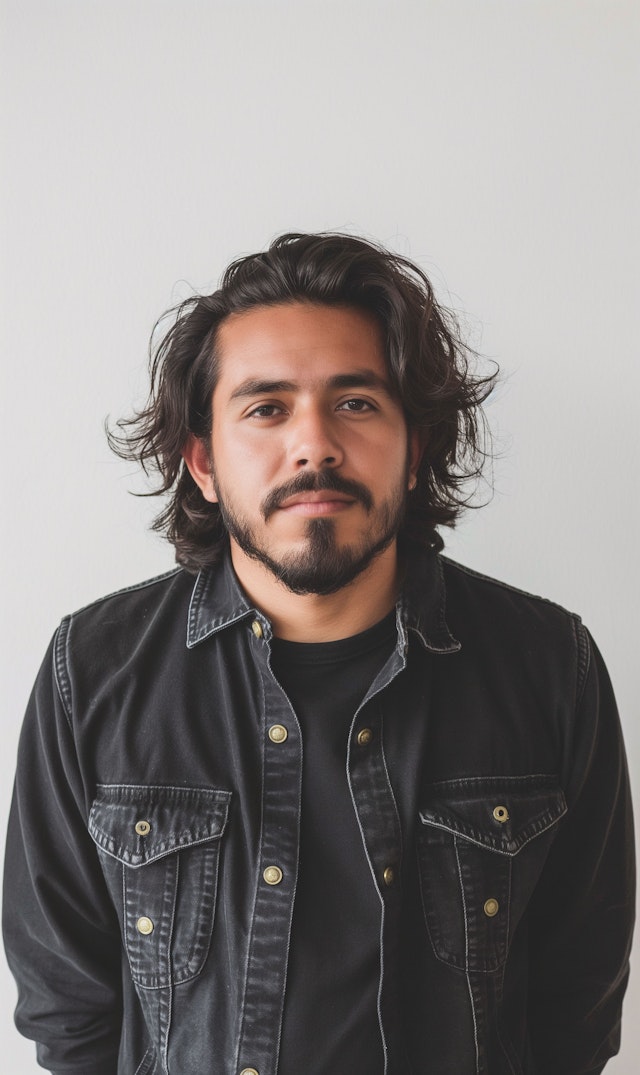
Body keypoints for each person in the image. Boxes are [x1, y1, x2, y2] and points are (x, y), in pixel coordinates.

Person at [3, 232, 634, 1075]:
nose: (314, 446)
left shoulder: (550, 668)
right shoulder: (97, 670)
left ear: (415, 448)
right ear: (203, 462)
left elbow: (576, 1006)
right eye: (266, 407)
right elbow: (68, 1005)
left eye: (357, 403)